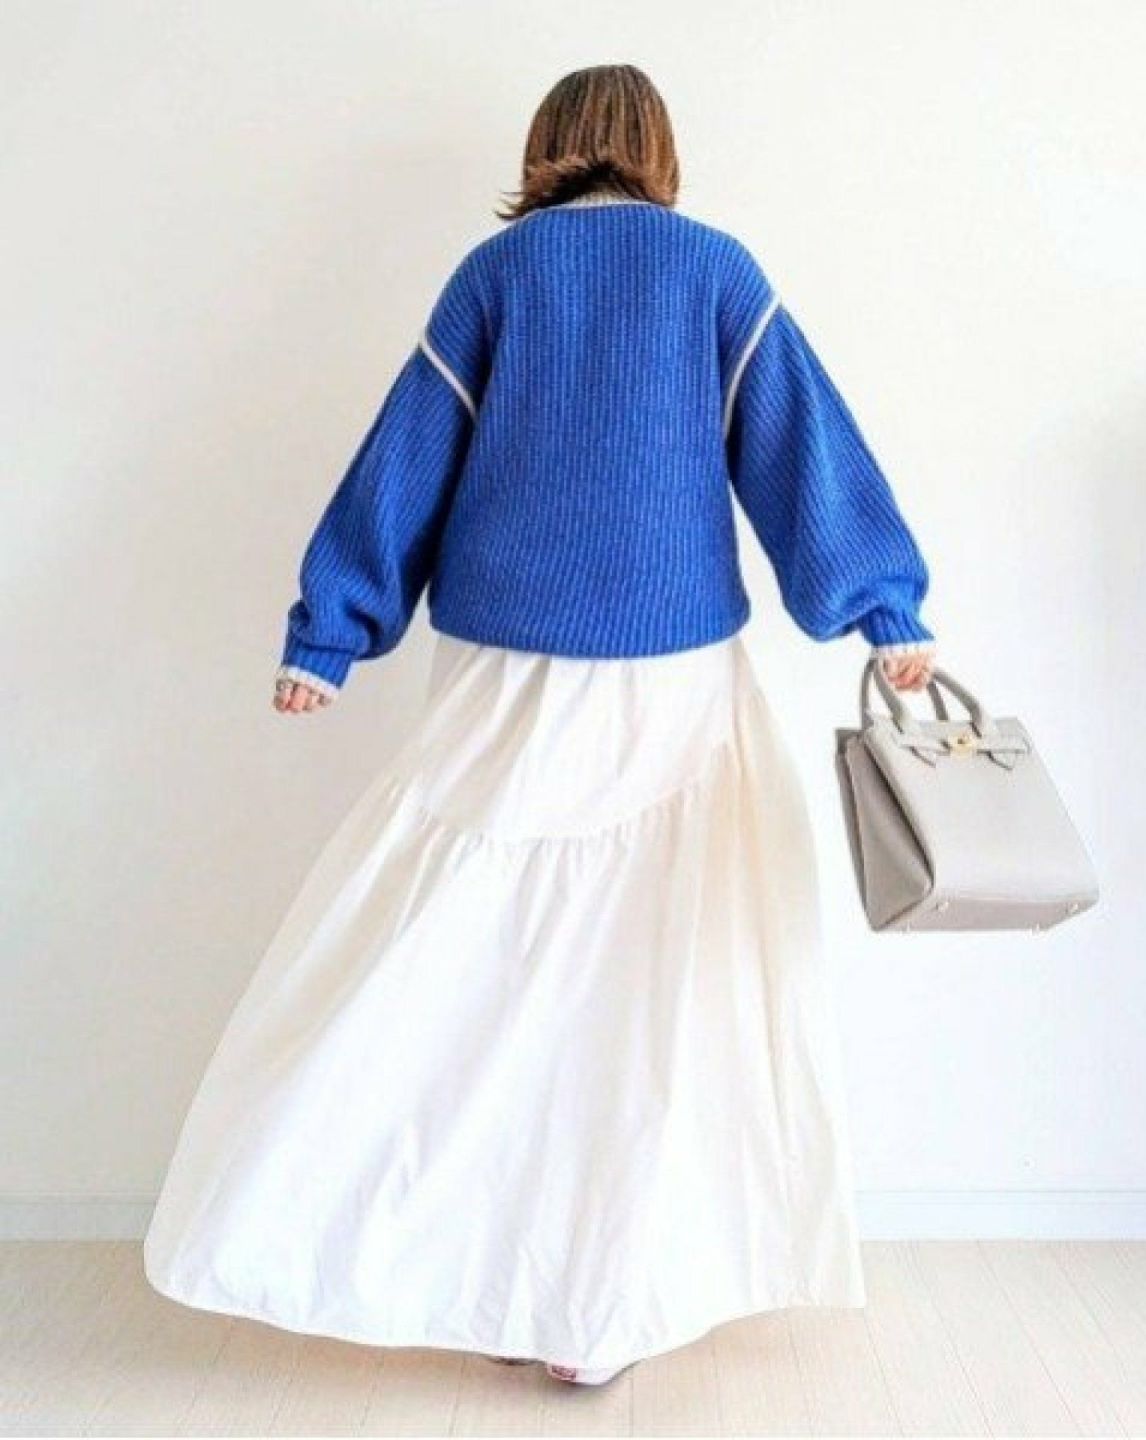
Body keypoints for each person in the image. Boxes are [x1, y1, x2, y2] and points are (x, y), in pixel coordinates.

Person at [144, 63, 936, 1388]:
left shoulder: (495, 277)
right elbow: (804, 450)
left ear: (548, 145)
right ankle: (600, 1304)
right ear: (659, 149)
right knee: (651, 987)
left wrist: (329, 635)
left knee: (468, 965)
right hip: (675, 679)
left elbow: (403, 461)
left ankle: (474, 1275)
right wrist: (882, 612)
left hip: (505, 673)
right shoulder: (715, 269)